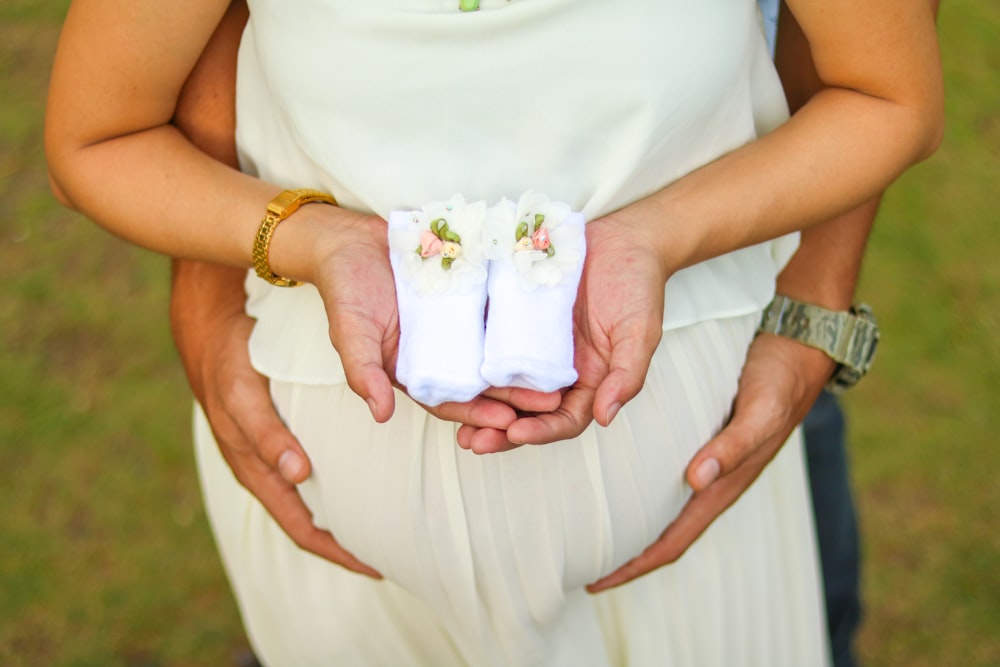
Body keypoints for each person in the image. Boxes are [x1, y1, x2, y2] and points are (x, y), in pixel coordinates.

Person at [46, 1, 942, 665]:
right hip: (348, 583)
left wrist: (695, 252)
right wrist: (294, 248)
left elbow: (882, 85)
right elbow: (122, 115)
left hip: (703, 541)